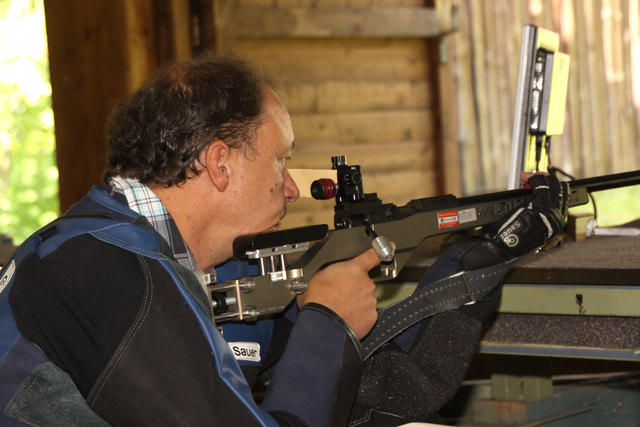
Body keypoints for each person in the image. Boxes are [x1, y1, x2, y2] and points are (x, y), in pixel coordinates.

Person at [0, 56, 568, 427]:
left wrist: (484, 257)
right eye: (280, 160)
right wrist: (325, 319)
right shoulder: (101, 271)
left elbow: (389, 387)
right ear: (219, 163)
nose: (293, 188)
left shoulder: (187, 268)